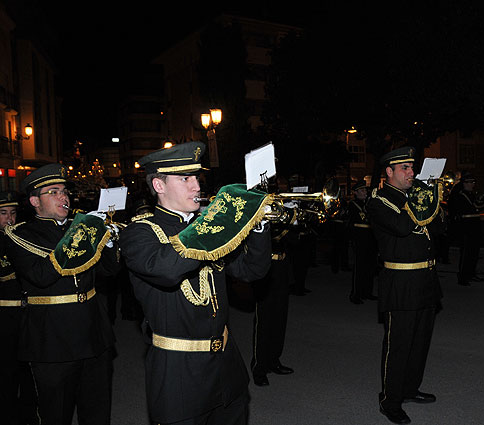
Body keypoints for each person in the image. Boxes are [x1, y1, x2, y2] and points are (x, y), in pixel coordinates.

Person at [119, 141, 272, 425]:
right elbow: (166, 270)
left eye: (196, 178)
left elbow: (253, 271)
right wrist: (215, 220)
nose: (196, 186)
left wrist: (258, 225)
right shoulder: (139, 233)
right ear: (159, 185)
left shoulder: (208, 228)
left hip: (227, 366)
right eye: (185, 179)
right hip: (179, 373)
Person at [4, 164, 120, 425]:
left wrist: (108, 238)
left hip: (93, 333)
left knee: (97, 411)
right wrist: (81, 234)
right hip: (51, 339)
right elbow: (42, 275)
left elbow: (108, 271)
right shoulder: (20, 234)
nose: (63, 197)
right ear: (34, 201)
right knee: (55, 413)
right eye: (53, 192)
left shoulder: (77, 226)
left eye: (65, 191)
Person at [368, 146, 443, 424]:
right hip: (400, 282)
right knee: (398, 345)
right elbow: (400, 226)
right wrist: (421, 200)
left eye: (412, 168)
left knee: (420, 341)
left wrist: (432, 200)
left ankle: (410, 389)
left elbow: (438, 228)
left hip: (425, 279)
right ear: (389, 172)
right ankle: (390, 400)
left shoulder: (413, 198)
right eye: (405, 169)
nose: (412, 173)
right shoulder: (379, 201)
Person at [250, 177, 295, 387]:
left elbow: (292, 239)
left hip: (282, 266)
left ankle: (274, 360)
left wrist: (294, 216)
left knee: (280, 316)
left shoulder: (281, 205)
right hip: (265, 267)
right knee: (264, 319)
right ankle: (259, 366)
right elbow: (268, 237)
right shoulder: (258, 206)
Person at [0, 191, 39, 425]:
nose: (9, 219)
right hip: (4, 316)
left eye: (13, 213)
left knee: (29, 372)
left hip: (27, 313)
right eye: (3, 213)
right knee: (5, 373)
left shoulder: (23, 239)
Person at [448, 172, 484, 286]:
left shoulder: (471, 194)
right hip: (466, 226)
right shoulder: (460, 195)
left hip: (474, 225)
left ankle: (471, 273)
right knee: (466, 253)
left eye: (472, 182)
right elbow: (471, 208)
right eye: (468, 182)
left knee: (474, 252)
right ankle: (463, 276)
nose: (471, 185)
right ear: (463, 184)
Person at [347, 180, 378, 304]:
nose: (365, 192)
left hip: (370, 238)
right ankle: (355, 294)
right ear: (356, 192)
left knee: (370, 267)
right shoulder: (353, 205)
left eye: (365, 190)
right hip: (359, 238)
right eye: (362, 190)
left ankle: (367, 292)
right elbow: (350, 223)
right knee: (359, 267)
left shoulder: (369, 204)